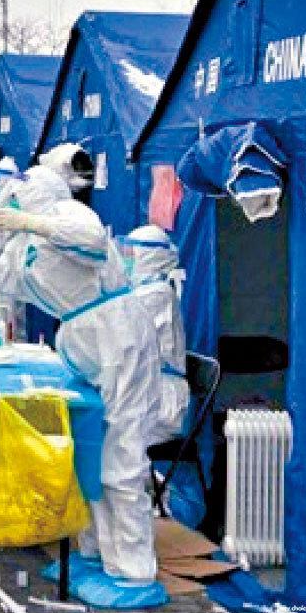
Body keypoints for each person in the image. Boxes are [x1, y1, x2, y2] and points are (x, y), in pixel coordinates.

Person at [0, 172, 171, 610]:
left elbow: (89, 240)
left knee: (120, 455)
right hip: (85, 338)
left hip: (116, 334)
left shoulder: (66, 213)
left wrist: (33, 223)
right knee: (90, 446)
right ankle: (92, 551)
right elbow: (5, 279)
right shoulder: (22, 242)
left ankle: (132, 569)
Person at [123, 224, 202, 525]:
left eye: (134, 252)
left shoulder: (156, 295)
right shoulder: (143, 292)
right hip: (150, 391)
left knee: (115, 435)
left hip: (162, 402)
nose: (128, 259)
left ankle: (146, 509)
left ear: (150, 257)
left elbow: (130, 343)